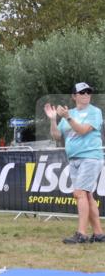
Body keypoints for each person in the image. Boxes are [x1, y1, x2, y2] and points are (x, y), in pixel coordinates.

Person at [45, 82, 104, 244]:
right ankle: (99, 234)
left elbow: (83, 130)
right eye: (82, 92)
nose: (86, 95)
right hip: (75, 159)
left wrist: (67, 117)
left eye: (88, 92)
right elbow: (57, 136)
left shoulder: (95, 112)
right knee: (86, 195)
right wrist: (53, 120)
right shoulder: (68, 114)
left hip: (90, 157)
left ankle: (82, 234)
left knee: (79, 193)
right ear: (74, 96)